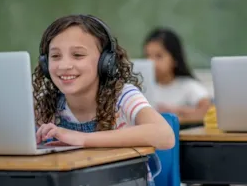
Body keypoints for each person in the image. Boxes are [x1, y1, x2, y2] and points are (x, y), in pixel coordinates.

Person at [33, 14, 175, 185]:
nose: (64, 65)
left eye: (78, 55)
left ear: (106, 61)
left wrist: (81, 139)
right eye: (55, 56)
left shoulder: (122, 96)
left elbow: (165, 136)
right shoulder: (47, 104)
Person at [143, 27, 211, 123]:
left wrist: (178, 111)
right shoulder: (143, 88)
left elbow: (208, 112)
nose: (151, 62)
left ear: (175, 59)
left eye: (159, 56)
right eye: (147, 56)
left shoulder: (188, 86)